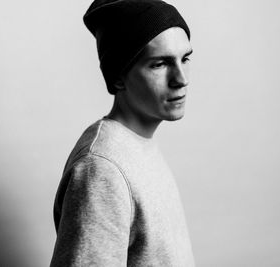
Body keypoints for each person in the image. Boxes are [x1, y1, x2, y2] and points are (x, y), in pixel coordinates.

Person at [50, 0, 195, 266]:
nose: (181, 78)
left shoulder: (138, 145)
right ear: (118, 76)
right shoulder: (102, 168)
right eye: (160, 64)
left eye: (185, 58)